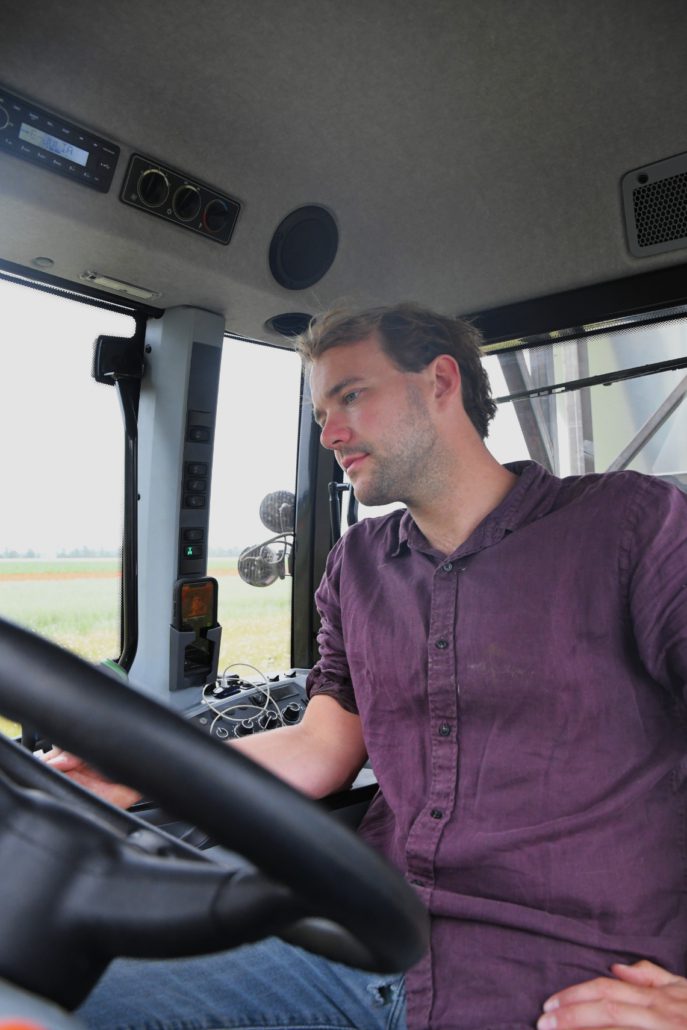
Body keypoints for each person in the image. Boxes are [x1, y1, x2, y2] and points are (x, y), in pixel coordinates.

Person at [48, 303, 687, 1029]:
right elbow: (320, 747)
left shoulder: (628, 526)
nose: (329, 434)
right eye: (321, 413)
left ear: (439, 382)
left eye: (351, 395)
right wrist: (136, 765)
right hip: (368, 940)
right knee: (56, 986)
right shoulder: (358, 564)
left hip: (575, 972)